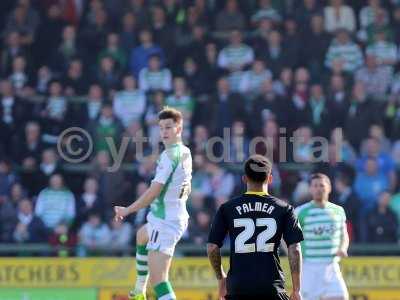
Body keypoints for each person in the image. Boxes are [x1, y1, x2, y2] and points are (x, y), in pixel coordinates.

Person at [114, 107, 192, 300]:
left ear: (179, 129)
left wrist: (128, 209)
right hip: (167, 216)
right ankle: (139, 291)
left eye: (169, 127)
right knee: (141, 235)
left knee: (159, 281)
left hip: (166, 222)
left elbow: (153, 192)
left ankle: (141, 291)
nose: (164, 132)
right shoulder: (184, 151)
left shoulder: (169, 156)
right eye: (161, 128)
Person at [207, 155, 304, 300]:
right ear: (270, 179)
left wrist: (221, 279)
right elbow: (295, 249)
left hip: (238, 288)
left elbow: (212, 247)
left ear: (244, 178)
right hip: (271, 287)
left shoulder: (227, 208)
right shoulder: (285, 209)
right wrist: (296, 289)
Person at [295, 173, 349, 300]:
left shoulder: (338, 210)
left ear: (329, 188)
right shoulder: (300, 211)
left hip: (331, 265)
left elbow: (344, 235)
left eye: (322, 185)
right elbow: (284, 236)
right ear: (310, 189)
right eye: (315, 186)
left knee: (341, 297)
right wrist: (294, 255)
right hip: (309, 267)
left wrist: (343, 248)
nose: (318, 189)